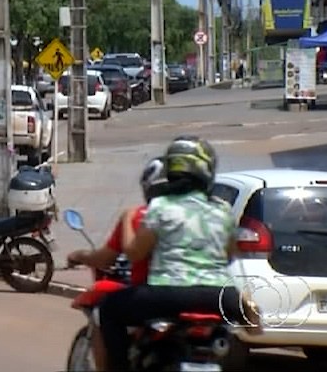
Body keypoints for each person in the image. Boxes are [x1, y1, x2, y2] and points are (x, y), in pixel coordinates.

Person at [95, 136, 258, 372]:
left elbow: (134, 254)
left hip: (167, 293)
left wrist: (129, 219)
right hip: (221, 297)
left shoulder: (160, 206)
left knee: (108, 309)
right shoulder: (222, 209)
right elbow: (230, 254)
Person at [65, 158, 171, 371]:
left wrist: (80, 255)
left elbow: (110, 258)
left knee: (105, 312)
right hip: (207, 297)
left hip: (153, 295)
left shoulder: (139, 216)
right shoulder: (211, 214)